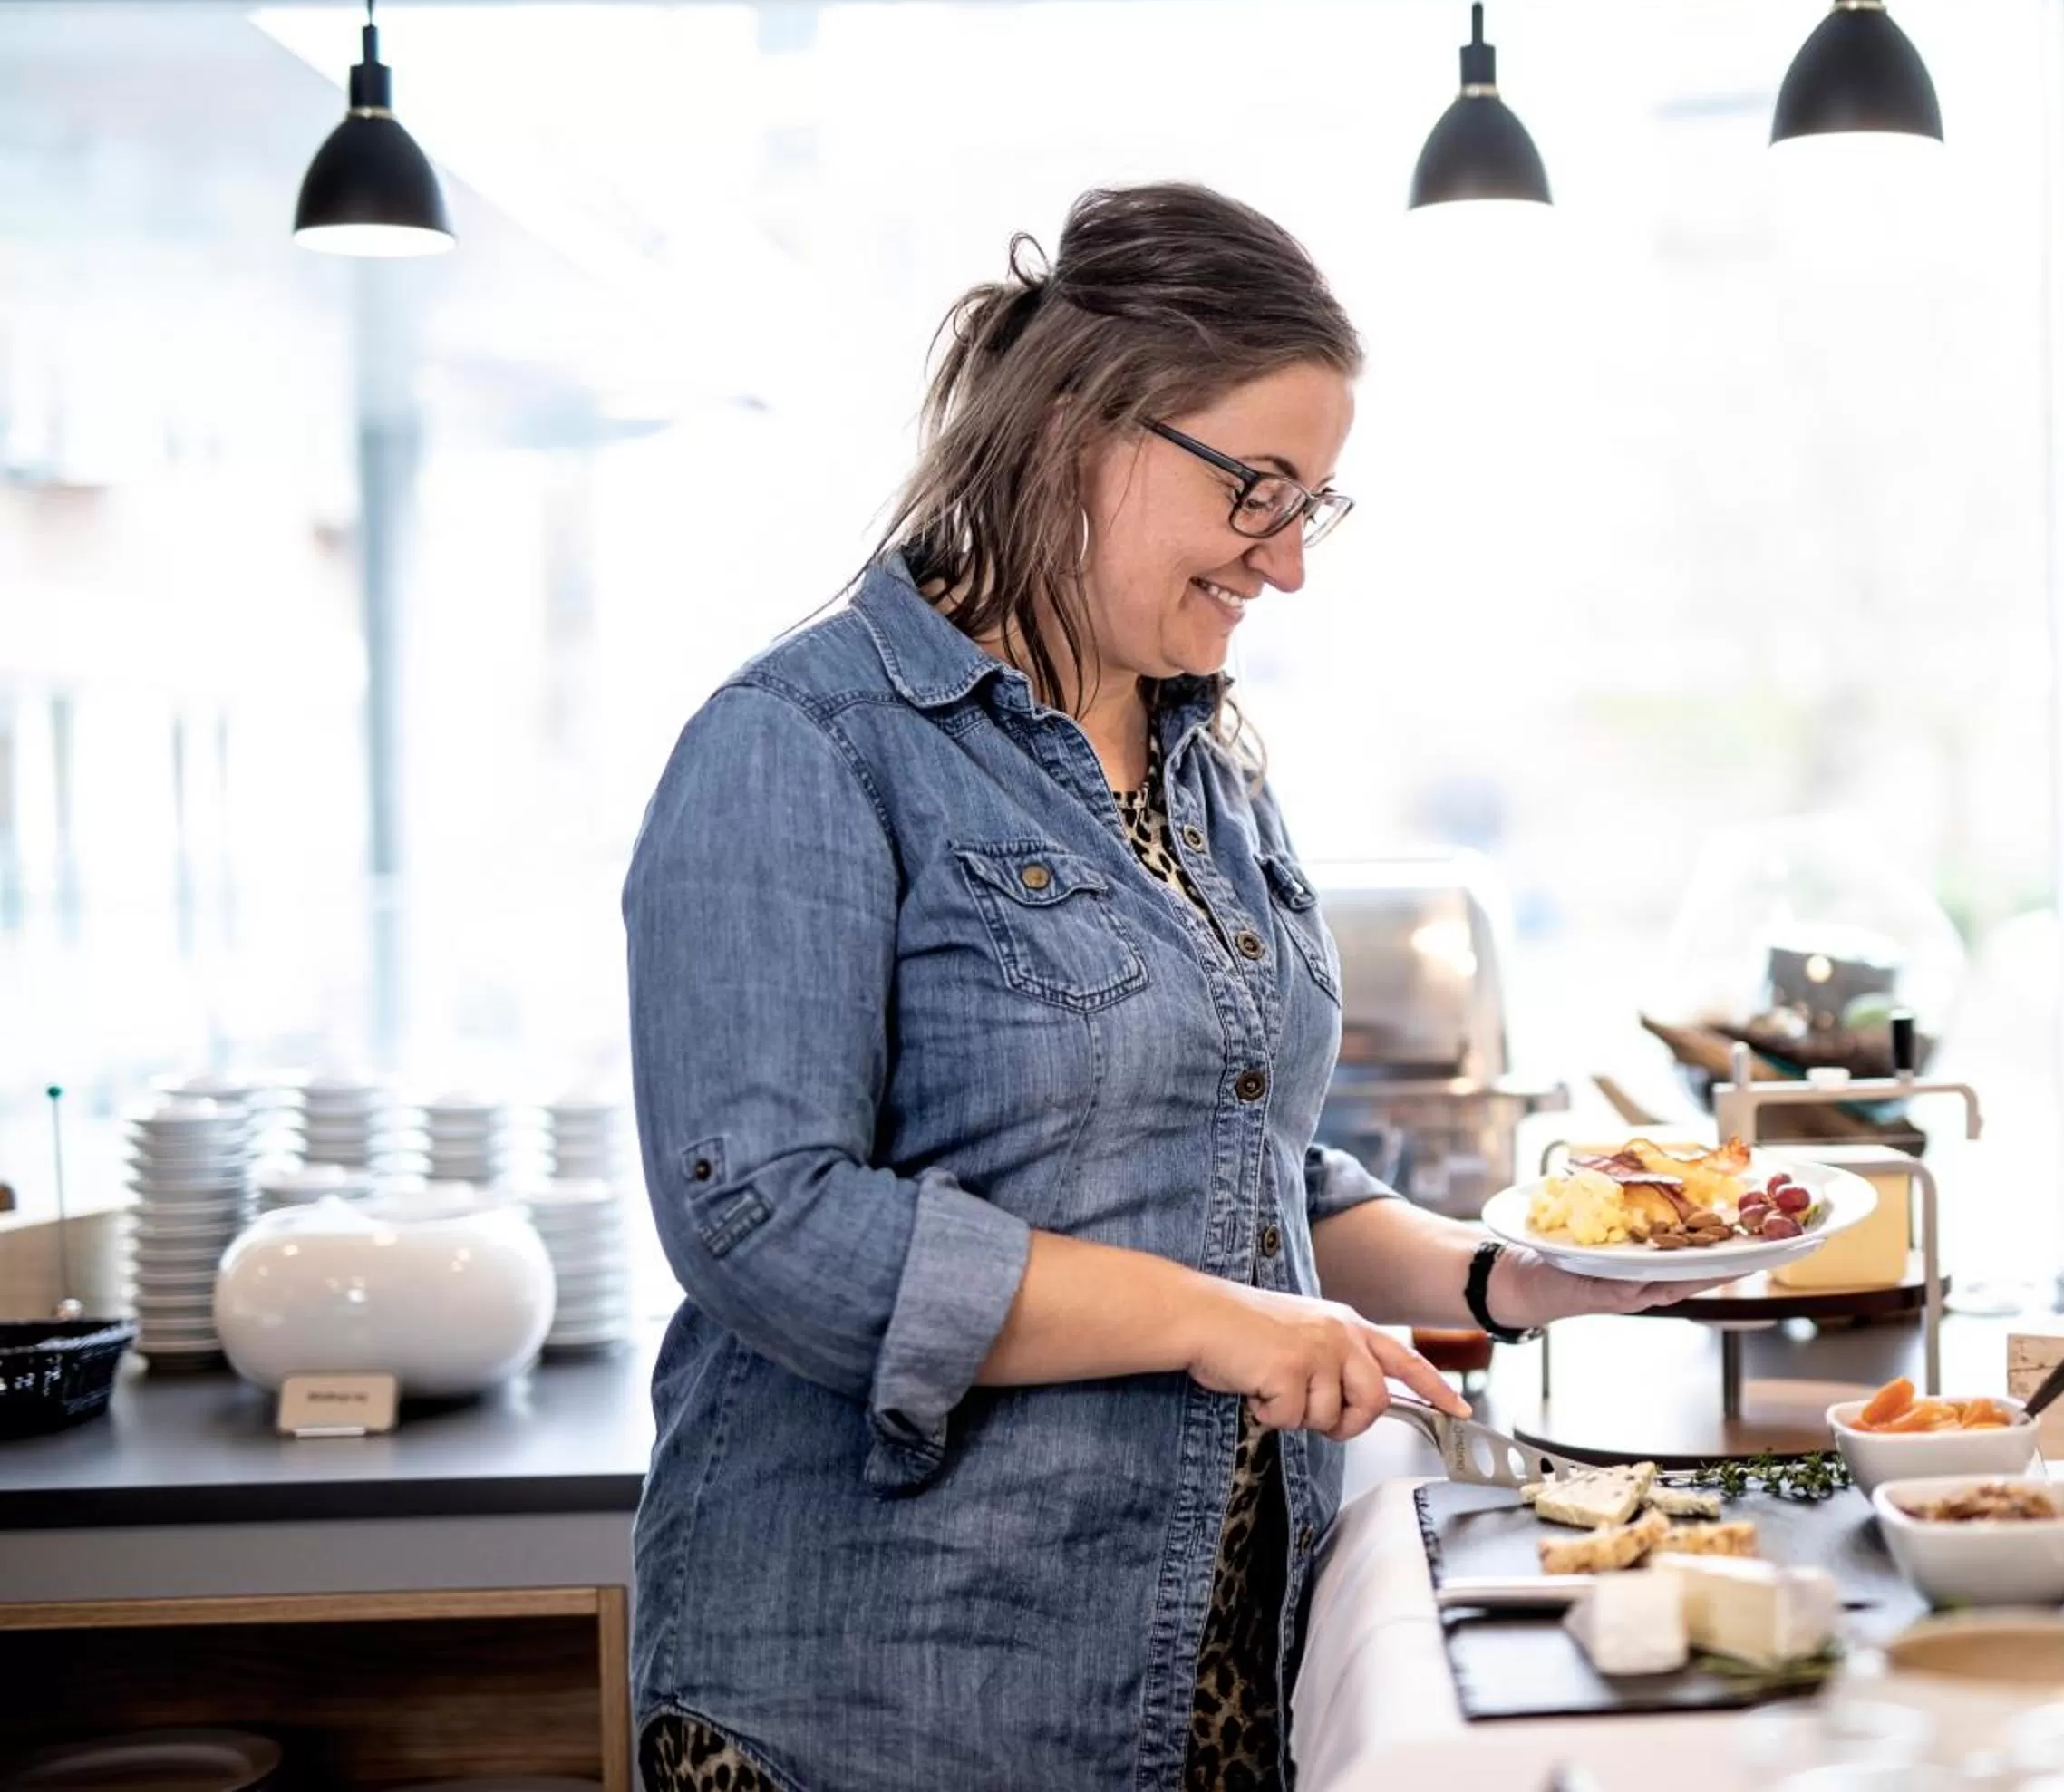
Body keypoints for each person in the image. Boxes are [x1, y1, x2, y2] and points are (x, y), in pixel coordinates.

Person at [622, 181, 1710, 1792]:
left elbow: (1240, 1167)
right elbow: (770, 1223)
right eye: (1256, 492)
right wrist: (1217, 1324)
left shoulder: (1207, 764)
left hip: (1200, 1665)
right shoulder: (804, 745)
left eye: (1313, 506)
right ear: (1080, 429)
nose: (1288, 565)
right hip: (895, 1690)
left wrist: (1513, 1278)